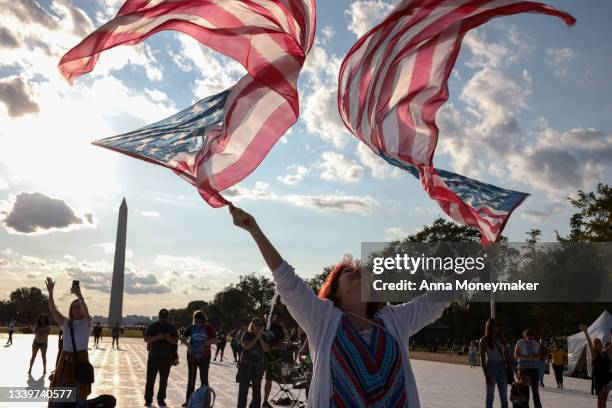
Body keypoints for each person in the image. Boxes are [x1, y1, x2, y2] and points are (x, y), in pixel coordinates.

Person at [229, 204, 458, 407]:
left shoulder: (395, 320)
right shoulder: (321, 317)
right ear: (335, 290)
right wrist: (254, 230)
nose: (357, 272)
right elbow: (287, 280)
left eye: (362, 272)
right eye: (349, 271)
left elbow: (437, 299)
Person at [45, 277, 93, 402]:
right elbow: (53, 310)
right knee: (59, 395)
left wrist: (80, 296)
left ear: (83, 309)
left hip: (80, 360)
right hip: (65, 359)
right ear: (70, 310)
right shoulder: (66, 323)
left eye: (79, 307)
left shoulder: (87, 322)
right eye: (74, 307)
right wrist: (50, 292)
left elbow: (87, 312)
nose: (77, 309)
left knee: (79, 395)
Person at [180, 311, 217, 407]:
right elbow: (182, 337)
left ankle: (206, 402)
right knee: (191, 379)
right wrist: (188, 346)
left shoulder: (209, 327)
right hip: (192, 355)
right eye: (196, 321)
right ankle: (189, 401)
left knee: (204, 379)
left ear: (204, 320)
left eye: (200, 321)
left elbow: (216, 340)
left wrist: (210, 341)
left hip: (205, 356)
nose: (198, 323)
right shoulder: (191, 327)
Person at [144, 309, 179, 408]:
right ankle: (148, 399)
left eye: (165, 317)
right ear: (159, 316)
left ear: (167, 317)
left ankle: (161, 399)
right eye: (162, 317)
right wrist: (157, 337)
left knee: (164, 381)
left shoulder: (171, 327)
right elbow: (146, 339)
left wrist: (168, 338)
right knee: (150, 380)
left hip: (166, 358)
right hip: (153, 357)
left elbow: (176, 341)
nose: (163, 319)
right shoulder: (153, 326)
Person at [237, 317, 270, 408]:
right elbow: (246, 346)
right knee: (243, 391)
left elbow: (266, 349)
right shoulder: (246, 334)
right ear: (253, 325)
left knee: (257, 391)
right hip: (246, 366)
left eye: (261, 325)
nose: (259, 327)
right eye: (257, 325)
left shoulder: (263, 336)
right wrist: (256, 337)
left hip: (258, 367)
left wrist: (260, 338)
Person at [580, 323, 611, 408]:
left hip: (607, 379)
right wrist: (586, 333)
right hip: (599, 381)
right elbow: (589, 343)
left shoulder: (605, 353)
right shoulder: (595, 355)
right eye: (596, 343)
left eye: (598, 342)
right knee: (600, 400)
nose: (597, 344)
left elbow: (611, 346)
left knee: (604, 400)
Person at [479, 318, 509, 408]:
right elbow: (482, 358)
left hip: (502, 368)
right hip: (491, 368)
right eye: (495, 325)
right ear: (489, 326)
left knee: (504, 397)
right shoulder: (484, 340)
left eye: (499, 325)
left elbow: (507, 355)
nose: (498, 327)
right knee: (490, 396)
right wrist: (486, 375)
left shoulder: (502, 339)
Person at [515, 329, 542, 408]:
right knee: (524, 390)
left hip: (534, 369)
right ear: (525, 336)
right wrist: (528, 357)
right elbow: (516, 356)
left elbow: (539, 356)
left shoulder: (536, 343)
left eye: (532, 336)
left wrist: (529, 358)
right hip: (524, 370)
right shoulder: (520, 342)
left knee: (535, 391)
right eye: (528, 335)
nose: (530, 337)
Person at [263, 312, 285, 408]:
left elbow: (280, 343)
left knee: (269, 380)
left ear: (275, 317)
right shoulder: (260, 326)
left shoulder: (278, 328)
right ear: (264, 316)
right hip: (259, 357)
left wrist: (269, 349)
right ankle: (256, 400)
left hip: (272, 358)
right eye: (267, 316)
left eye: (272, 316)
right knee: (255, 379)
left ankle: (265, 401)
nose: (269, 318)